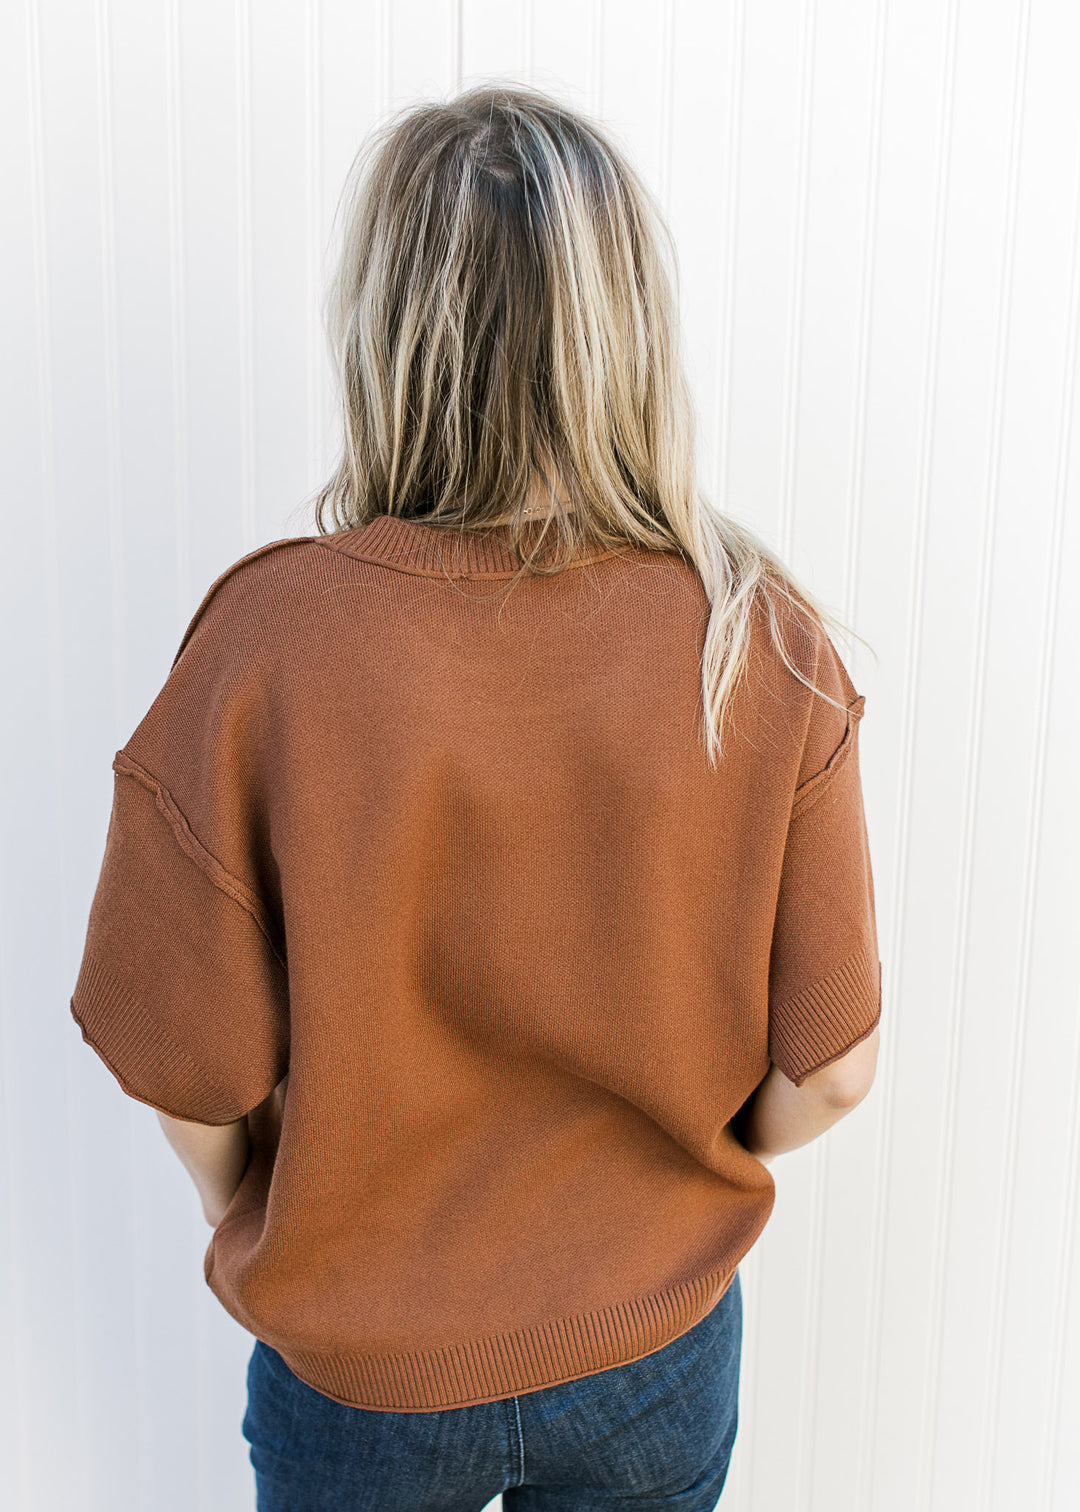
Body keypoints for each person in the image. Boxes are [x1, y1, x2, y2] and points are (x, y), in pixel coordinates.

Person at [70, 81, 882, 1512]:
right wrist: (674, 1165)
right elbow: (830, 1070)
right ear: (626, 331)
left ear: (390, 333)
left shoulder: (267, 646)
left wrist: (248, 1206)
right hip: (657, 1342)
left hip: (360, 1365)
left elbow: (184, 1064)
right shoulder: (753, 639)